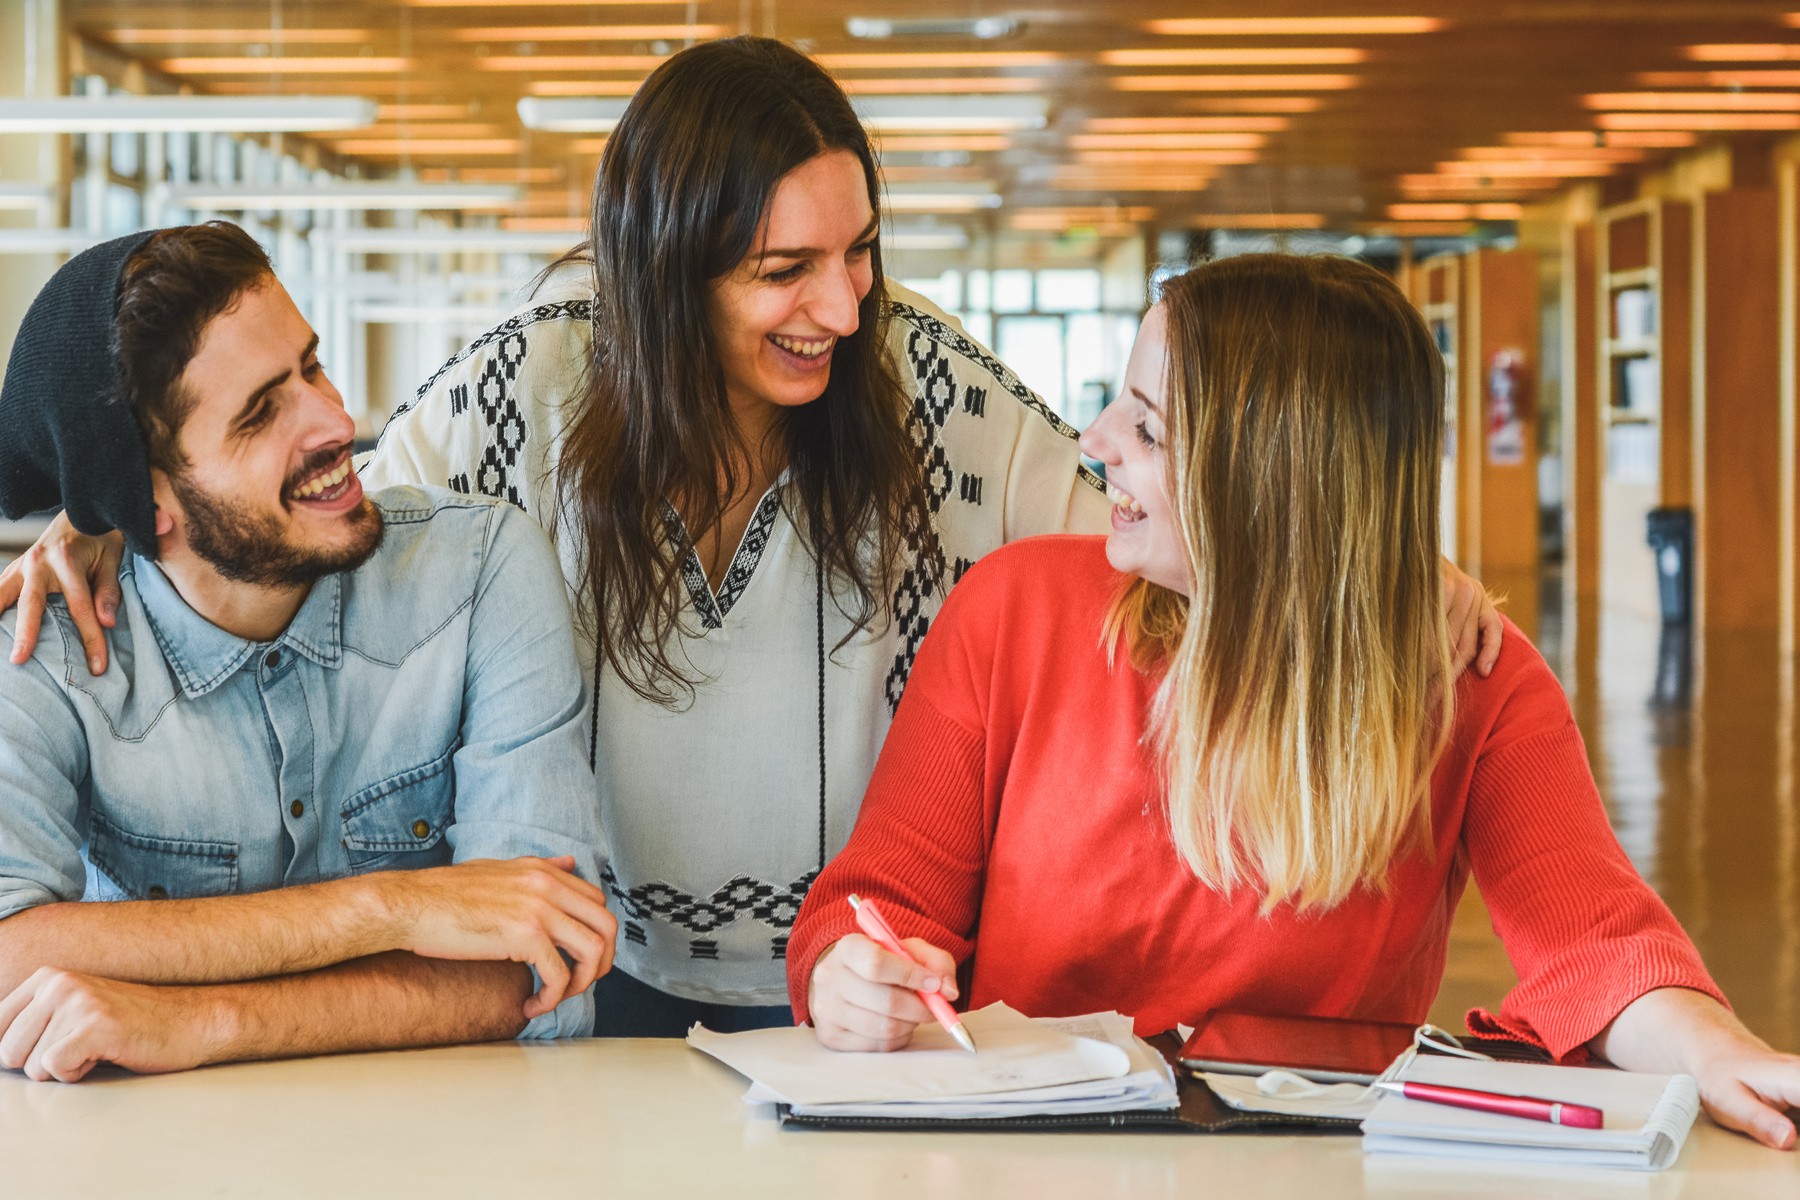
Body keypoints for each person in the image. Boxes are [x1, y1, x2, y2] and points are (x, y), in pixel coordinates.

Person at [0, 38, 1500, 1036]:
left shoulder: (921, 380)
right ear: (664, 276)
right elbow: (314, 497)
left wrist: (1370, 559)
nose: (841, 307)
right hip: (601, 983)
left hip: (866, 991)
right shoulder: (536, 376)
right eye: (785, 269)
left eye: (861, 253)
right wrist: (99, 516)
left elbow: (1167, 502)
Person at [790, 254, 1800, 1150]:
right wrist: (851, 974)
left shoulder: (1467, 675)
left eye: (1147, 427)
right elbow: (880, 904)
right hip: (1029, 1154)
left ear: (1267, 481)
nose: (1097, 442)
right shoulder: (1013, 613)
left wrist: (1715, 1050)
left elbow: (1596, 946)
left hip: (1315, 1161)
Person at [0, 223, 616, 1083]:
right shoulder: (43, 653)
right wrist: (390, 909)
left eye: (312, 367)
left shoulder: (480, 572)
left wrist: (200, 1020)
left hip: (455, 1138)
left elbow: (541, 968)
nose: (335, 422)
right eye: (260, 413)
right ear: (149, 504)